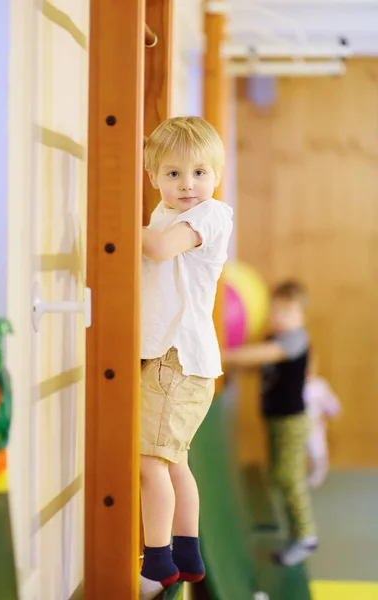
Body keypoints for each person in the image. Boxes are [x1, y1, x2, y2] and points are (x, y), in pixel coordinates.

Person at [140, 116, 233, 598]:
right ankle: (186, 552)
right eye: (173, 173)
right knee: (173, 460)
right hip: (173, 359)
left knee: (150, 462)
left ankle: (156, 561)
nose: (188, 184)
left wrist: (114, 221)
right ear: (153, 176)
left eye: (199, 172)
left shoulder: (209, 215)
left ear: (216, 175)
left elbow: (156, 249)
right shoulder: (164, 212)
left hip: (176, 360)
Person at [224, 280, 318, 566]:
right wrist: (233, 367)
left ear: (301, 317)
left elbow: (263, 356)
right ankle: (296, 534)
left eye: (287, 312)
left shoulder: (295, 340)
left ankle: (306, 536)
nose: (279, 318)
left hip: (292, 421)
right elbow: (254, 364)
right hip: (276, 420)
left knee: (289, 478)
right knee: (279, 477)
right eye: (275, 311)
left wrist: (224, 355)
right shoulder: (271, 339)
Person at [304, 356, 341, 489]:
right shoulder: (293, 384)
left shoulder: (320, 385)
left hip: (315, 424)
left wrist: (333, 411)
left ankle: (318, 474)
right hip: (297, 424)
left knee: (317, 449)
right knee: (298, 451)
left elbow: (330, 402)